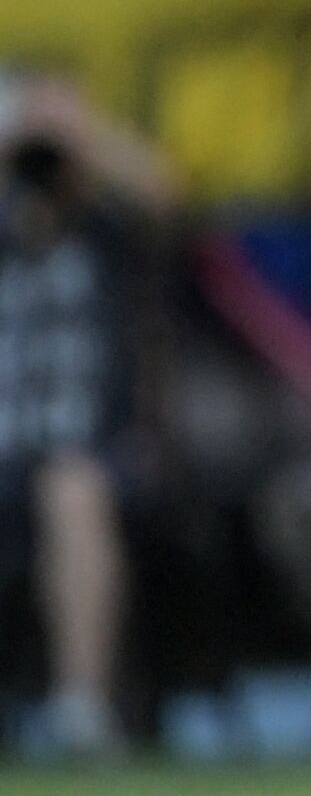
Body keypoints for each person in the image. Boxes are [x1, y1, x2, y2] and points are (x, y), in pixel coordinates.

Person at [0, 73, 178, 760]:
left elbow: (166, 189)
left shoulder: (106, 228)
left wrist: (79, 135)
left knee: (72, 490)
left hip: (88, 446)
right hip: (7, 440)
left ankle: (79, 705)